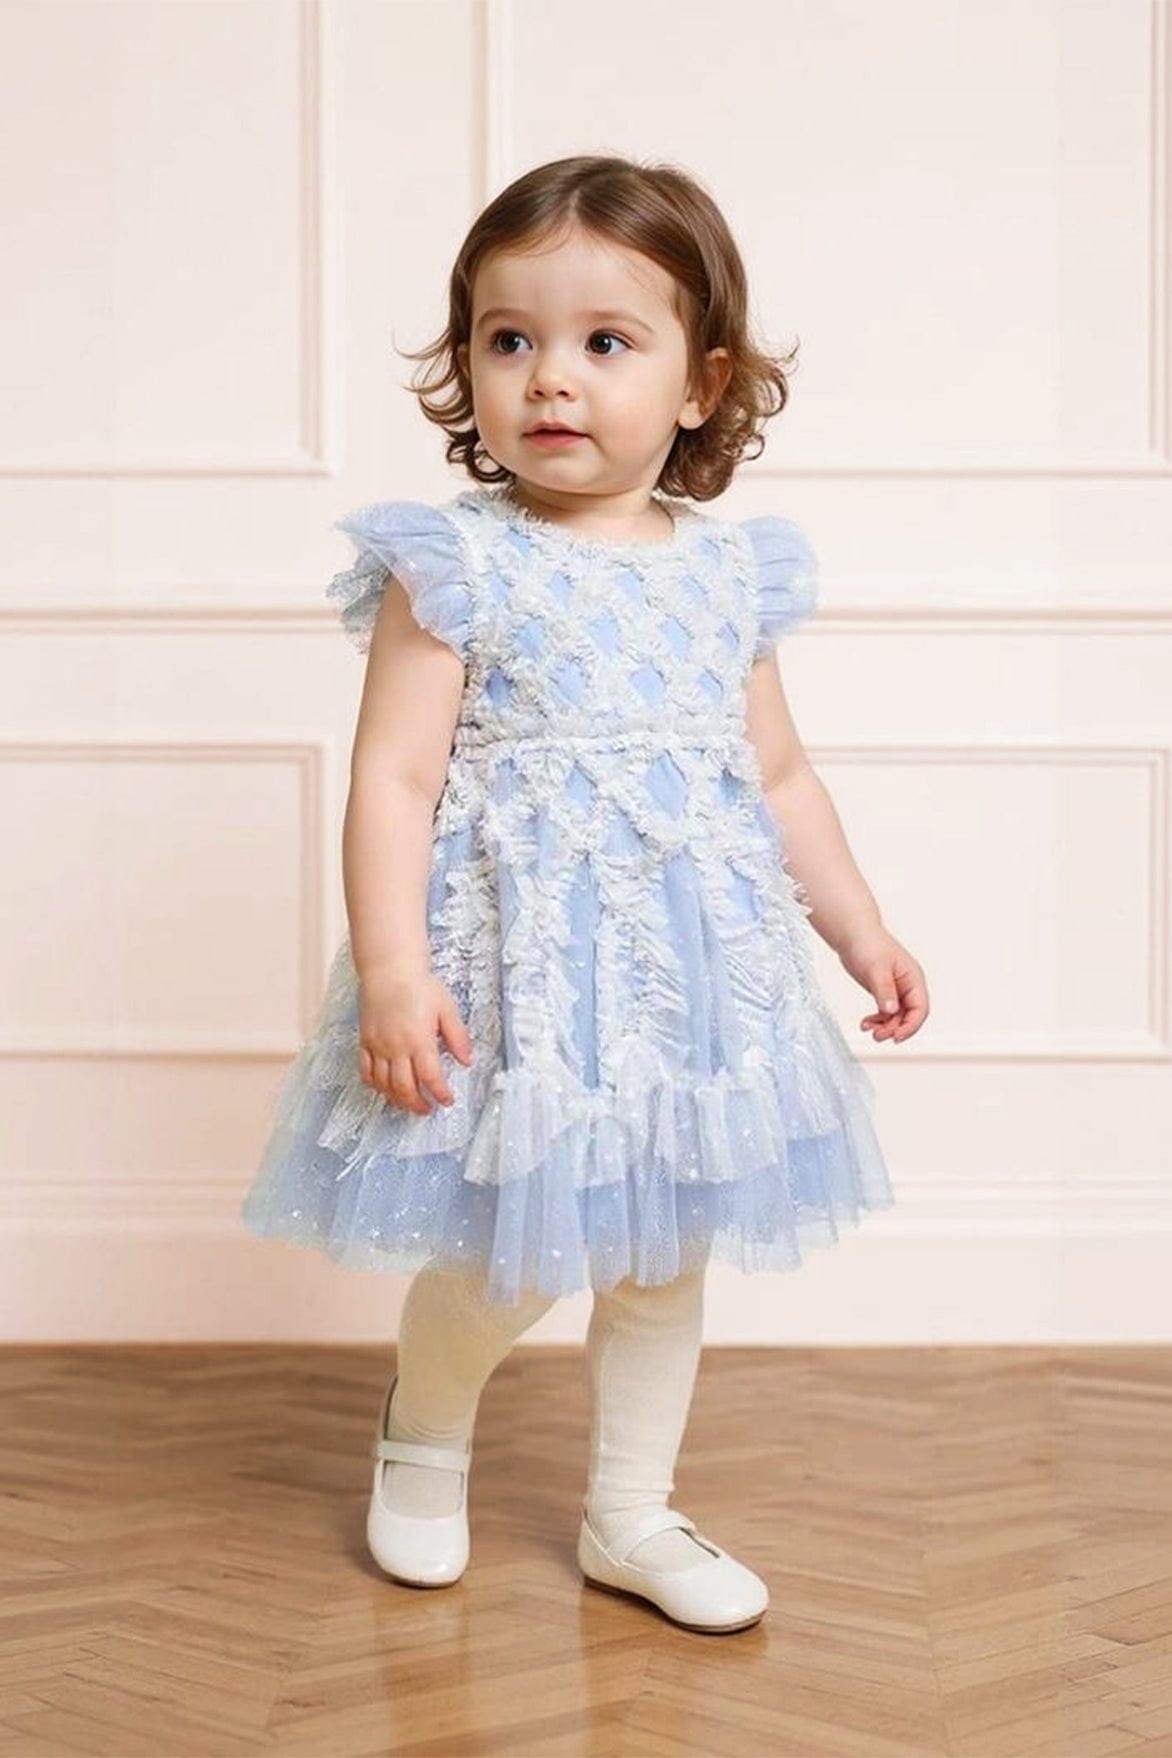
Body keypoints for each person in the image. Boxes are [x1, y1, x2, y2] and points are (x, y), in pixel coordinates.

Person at [241, 153, 929, 1634]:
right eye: (510, 339)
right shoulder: (456, 566)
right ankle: (423, 1434)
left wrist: (859, 926)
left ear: (700, 382)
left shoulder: (728, 575)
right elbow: (394, 781)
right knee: (505, 1255)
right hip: (521, 985)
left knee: (665, 1256)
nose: (551, 377)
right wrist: (394, 971)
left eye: (605, 341)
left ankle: (632, 1511)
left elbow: (779, 777)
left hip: (692, 987)